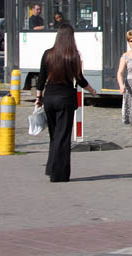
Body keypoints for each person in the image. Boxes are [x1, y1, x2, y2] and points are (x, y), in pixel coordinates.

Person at [35, 24, 97, 182]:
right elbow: (80, 79)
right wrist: (91, 90)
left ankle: (51, 168)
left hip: (49, 98)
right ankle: (59, 173)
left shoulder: (47, 54)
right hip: (66, 99)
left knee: (54, 136)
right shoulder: (74, 56)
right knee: (63, 137)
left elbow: (41, 78)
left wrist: (38, 98)